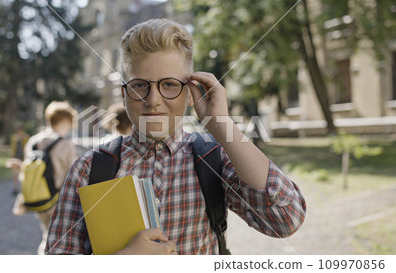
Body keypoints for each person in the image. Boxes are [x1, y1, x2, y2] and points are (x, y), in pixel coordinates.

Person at [46, 19, 306, 255]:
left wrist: (222, 126)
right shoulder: (89, 169)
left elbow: (286, 219)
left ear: (191, 92)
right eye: (139, 85)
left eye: (169, 84)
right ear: (124, 94)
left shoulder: (212, 161)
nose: (153, 101)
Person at [12, 101, 77, 255]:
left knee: (46, 233)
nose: (69, 126)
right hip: (58, 199)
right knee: (58, 239)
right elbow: (74, 175)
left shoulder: (33, 141)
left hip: (38, 197)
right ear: (64, 120)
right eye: (69, 122)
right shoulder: (66, 145)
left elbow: (29, 170)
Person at [5, 125, 29, 196]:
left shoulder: (26, 137)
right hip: (16, 158)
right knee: (15, 174)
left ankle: (24, 189)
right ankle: (15, 189)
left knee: (24, 174)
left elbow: (27, 147)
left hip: (24, 158)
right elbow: (12, 148)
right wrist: (12, 158)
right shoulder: (14, 138)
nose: (19, 132)